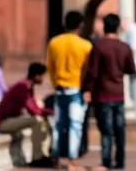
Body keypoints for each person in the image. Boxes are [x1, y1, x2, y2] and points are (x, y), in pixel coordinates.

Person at [83, 13, 136, 169]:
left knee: (106, 129)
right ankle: (120, 161)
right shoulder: (124, 47)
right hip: (118, 93)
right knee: (119, 128)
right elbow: (131, 69)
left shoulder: (99, 46)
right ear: (118, 27)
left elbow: (93, 72)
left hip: (103, 94)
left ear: (104, 26)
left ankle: (106, 161)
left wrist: (87, 89)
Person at [47, 11, 92, 170]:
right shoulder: (85, 45)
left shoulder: (54, 43)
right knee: (75, 126)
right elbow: (88, 71)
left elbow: (50, 68)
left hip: (59, 88)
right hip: (76, 89)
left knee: (58, 124)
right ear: (80, 25)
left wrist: (55, 84)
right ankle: (72, 160)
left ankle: (56, 157)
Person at [0, 62, 53, 167]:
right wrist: (50, 112)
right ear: (36, 76)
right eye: (42, 76)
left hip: (11, 120)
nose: (43, 79)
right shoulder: (22, 87)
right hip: (2, 123)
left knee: (42, 120)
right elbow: (32, 110)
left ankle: (44, 154)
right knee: (36, 121)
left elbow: (35, 107)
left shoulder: (28, 87)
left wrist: (49, 112)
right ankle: (37, 158)